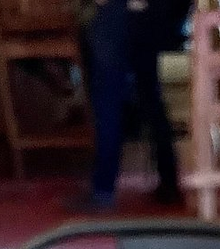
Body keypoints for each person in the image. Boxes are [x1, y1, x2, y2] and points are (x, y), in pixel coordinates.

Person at [78, 0, 182, 210]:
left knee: (108, 98)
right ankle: (169, 181)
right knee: (150, 94)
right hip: (154, 14)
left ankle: (103, 188)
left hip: (117, 13)